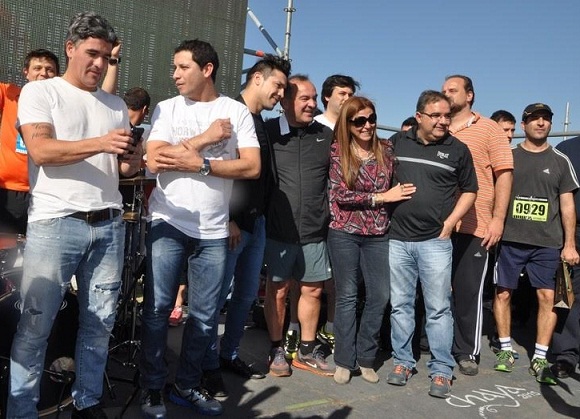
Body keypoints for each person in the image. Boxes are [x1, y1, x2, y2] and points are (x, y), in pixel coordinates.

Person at [8, 12, 142, 419]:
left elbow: (122, 169)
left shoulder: (115, 105)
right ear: (70, 48)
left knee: (100, 325)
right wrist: (102, 142)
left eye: (107, 57)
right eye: (92, 53)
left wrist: (133, 159)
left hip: (109, 224)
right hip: (55, 223)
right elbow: (42, 151)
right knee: (35, 327)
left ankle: (87, 403)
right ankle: (21, 410)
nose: (99, 63)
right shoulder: (41, 92)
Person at [138, 39, 260, 418]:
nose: (174, 75)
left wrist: (202, 165)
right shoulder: (167, 108)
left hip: (213, 230)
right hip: (169, 220)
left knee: (205, 316)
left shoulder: (236, 112)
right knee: (157, 309)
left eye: (182, 67)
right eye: (173, 67)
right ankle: (152, 387)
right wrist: (205, 139)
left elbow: (252, 166)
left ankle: (187, 385)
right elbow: (154, 159)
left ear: (207, 70)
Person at [206, 55, 291, 394]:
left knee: (243, 298)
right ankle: (206, 365)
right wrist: (228, 218)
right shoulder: (228, 114)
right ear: (257, 78)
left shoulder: (260, 122)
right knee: (215, 300)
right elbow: (215, 169)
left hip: (257, 225)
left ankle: (227, 354)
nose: (280, 94)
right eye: (277, 86)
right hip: (231, 226)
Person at [386, 90, 477, 399]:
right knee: (401, 305)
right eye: (435, 115)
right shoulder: (397, 143)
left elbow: (470, 190)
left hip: (435, 242)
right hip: (397, 240)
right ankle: (402, 362)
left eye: (446, 116)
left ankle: (441, 369)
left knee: (438, 309)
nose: (442, 121)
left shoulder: (458, 150)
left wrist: (450, 223)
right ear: (419, 117)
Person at [329, 96, 415, 385]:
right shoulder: (337, 151)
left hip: (378, 234)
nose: (367, 125)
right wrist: (382, 197)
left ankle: (366, 357)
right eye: (360, 121)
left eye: (372, 119)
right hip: (344, 232)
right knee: (347, 296)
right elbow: (341, 194)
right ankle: (344, 360)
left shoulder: (387, 149)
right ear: (348, 124)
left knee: (380, 295)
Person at [493, 103, 579, 385]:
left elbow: (567, 206)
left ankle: (540, 356)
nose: (540, 123)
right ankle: (505, 349)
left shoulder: (560, 160)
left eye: (546, 119)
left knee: (547, 298)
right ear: (524, 124)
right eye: (534, 119)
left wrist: (569, 244)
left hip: (547, 243)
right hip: (510, 240)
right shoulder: (509, 156)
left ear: (551, 124)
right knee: (503, 294)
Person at [442, 75, 513, 376]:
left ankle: (466, 351)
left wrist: (498, 219)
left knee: (468, 293)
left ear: (469, 95)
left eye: (452, 90)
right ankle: (431, 344)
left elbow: (504, 174)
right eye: (443, 90)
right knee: (434, 290)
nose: (446, 94)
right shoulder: (438, 126)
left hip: (476, 225)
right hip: (438, 225)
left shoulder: (490, 129)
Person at [263, 74, 334, 378]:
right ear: (286, 101)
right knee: (278, 291)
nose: (312, 104)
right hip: (278, 230)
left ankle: (306, 350)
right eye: (305, 98)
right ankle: (276, 348)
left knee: (313, 291)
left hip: (316, 230)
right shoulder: (268, 132)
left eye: (314, 98)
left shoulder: (326, 135)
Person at [311, 74, 359, 353]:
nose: (347, 98)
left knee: (339, 280)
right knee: (311, 280)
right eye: (342, 93)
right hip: (316, 213)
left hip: (344, 216)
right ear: (327, 96)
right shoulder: (314, 126)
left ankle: (331, 329)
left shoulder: (355, 128)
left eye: (351, 94)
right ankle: (300, 331)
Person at [0, 49, 59, 234]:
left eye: (50, 69)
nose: (43, 73)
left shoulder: (61, 106)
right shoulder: (10, 95)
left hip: (45, 193)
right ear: (26, 72)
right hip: (7, 190)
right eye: (37, 68)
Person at [552, 135, 580, 379]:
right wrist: (568, 241)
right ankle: (566, 355)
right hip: (573, 233)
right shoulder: (566, 149)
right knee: (569, 294)